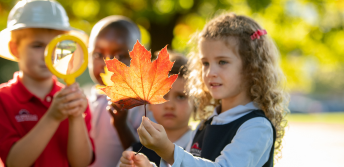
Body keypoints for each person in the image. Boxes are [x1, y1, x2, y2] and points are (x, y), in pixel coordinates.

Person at [120, 13, 289, 167]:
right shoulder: (206, 124)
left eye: (222, 62)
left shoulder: (256, 126)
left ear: (251, 67)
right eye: (205, 63)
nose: (210, 73)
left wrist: (168, 151)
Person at [0, 1, 94, 167]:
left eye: (56, 46)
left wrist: (76, 116)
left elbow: (81, 163)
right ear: (15, 49)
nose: (47, 55)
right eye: (37, 46)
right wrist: (53, 116)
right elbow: (14, 162)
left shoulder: (74, 100)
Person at [114, 51, 194, 167]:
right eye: (161, 96)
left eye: (181, 97)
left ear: (196, 101)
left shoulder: (204, 148)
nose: (169, 105)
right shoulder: (135, 154)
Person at [87, 15, 142, 167]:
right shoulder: (85, 101)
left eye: (119, 56)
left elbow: (145, 157)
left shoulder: (140, 106)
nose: (108, 64)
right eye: (99, 55)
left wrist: (122, 125)